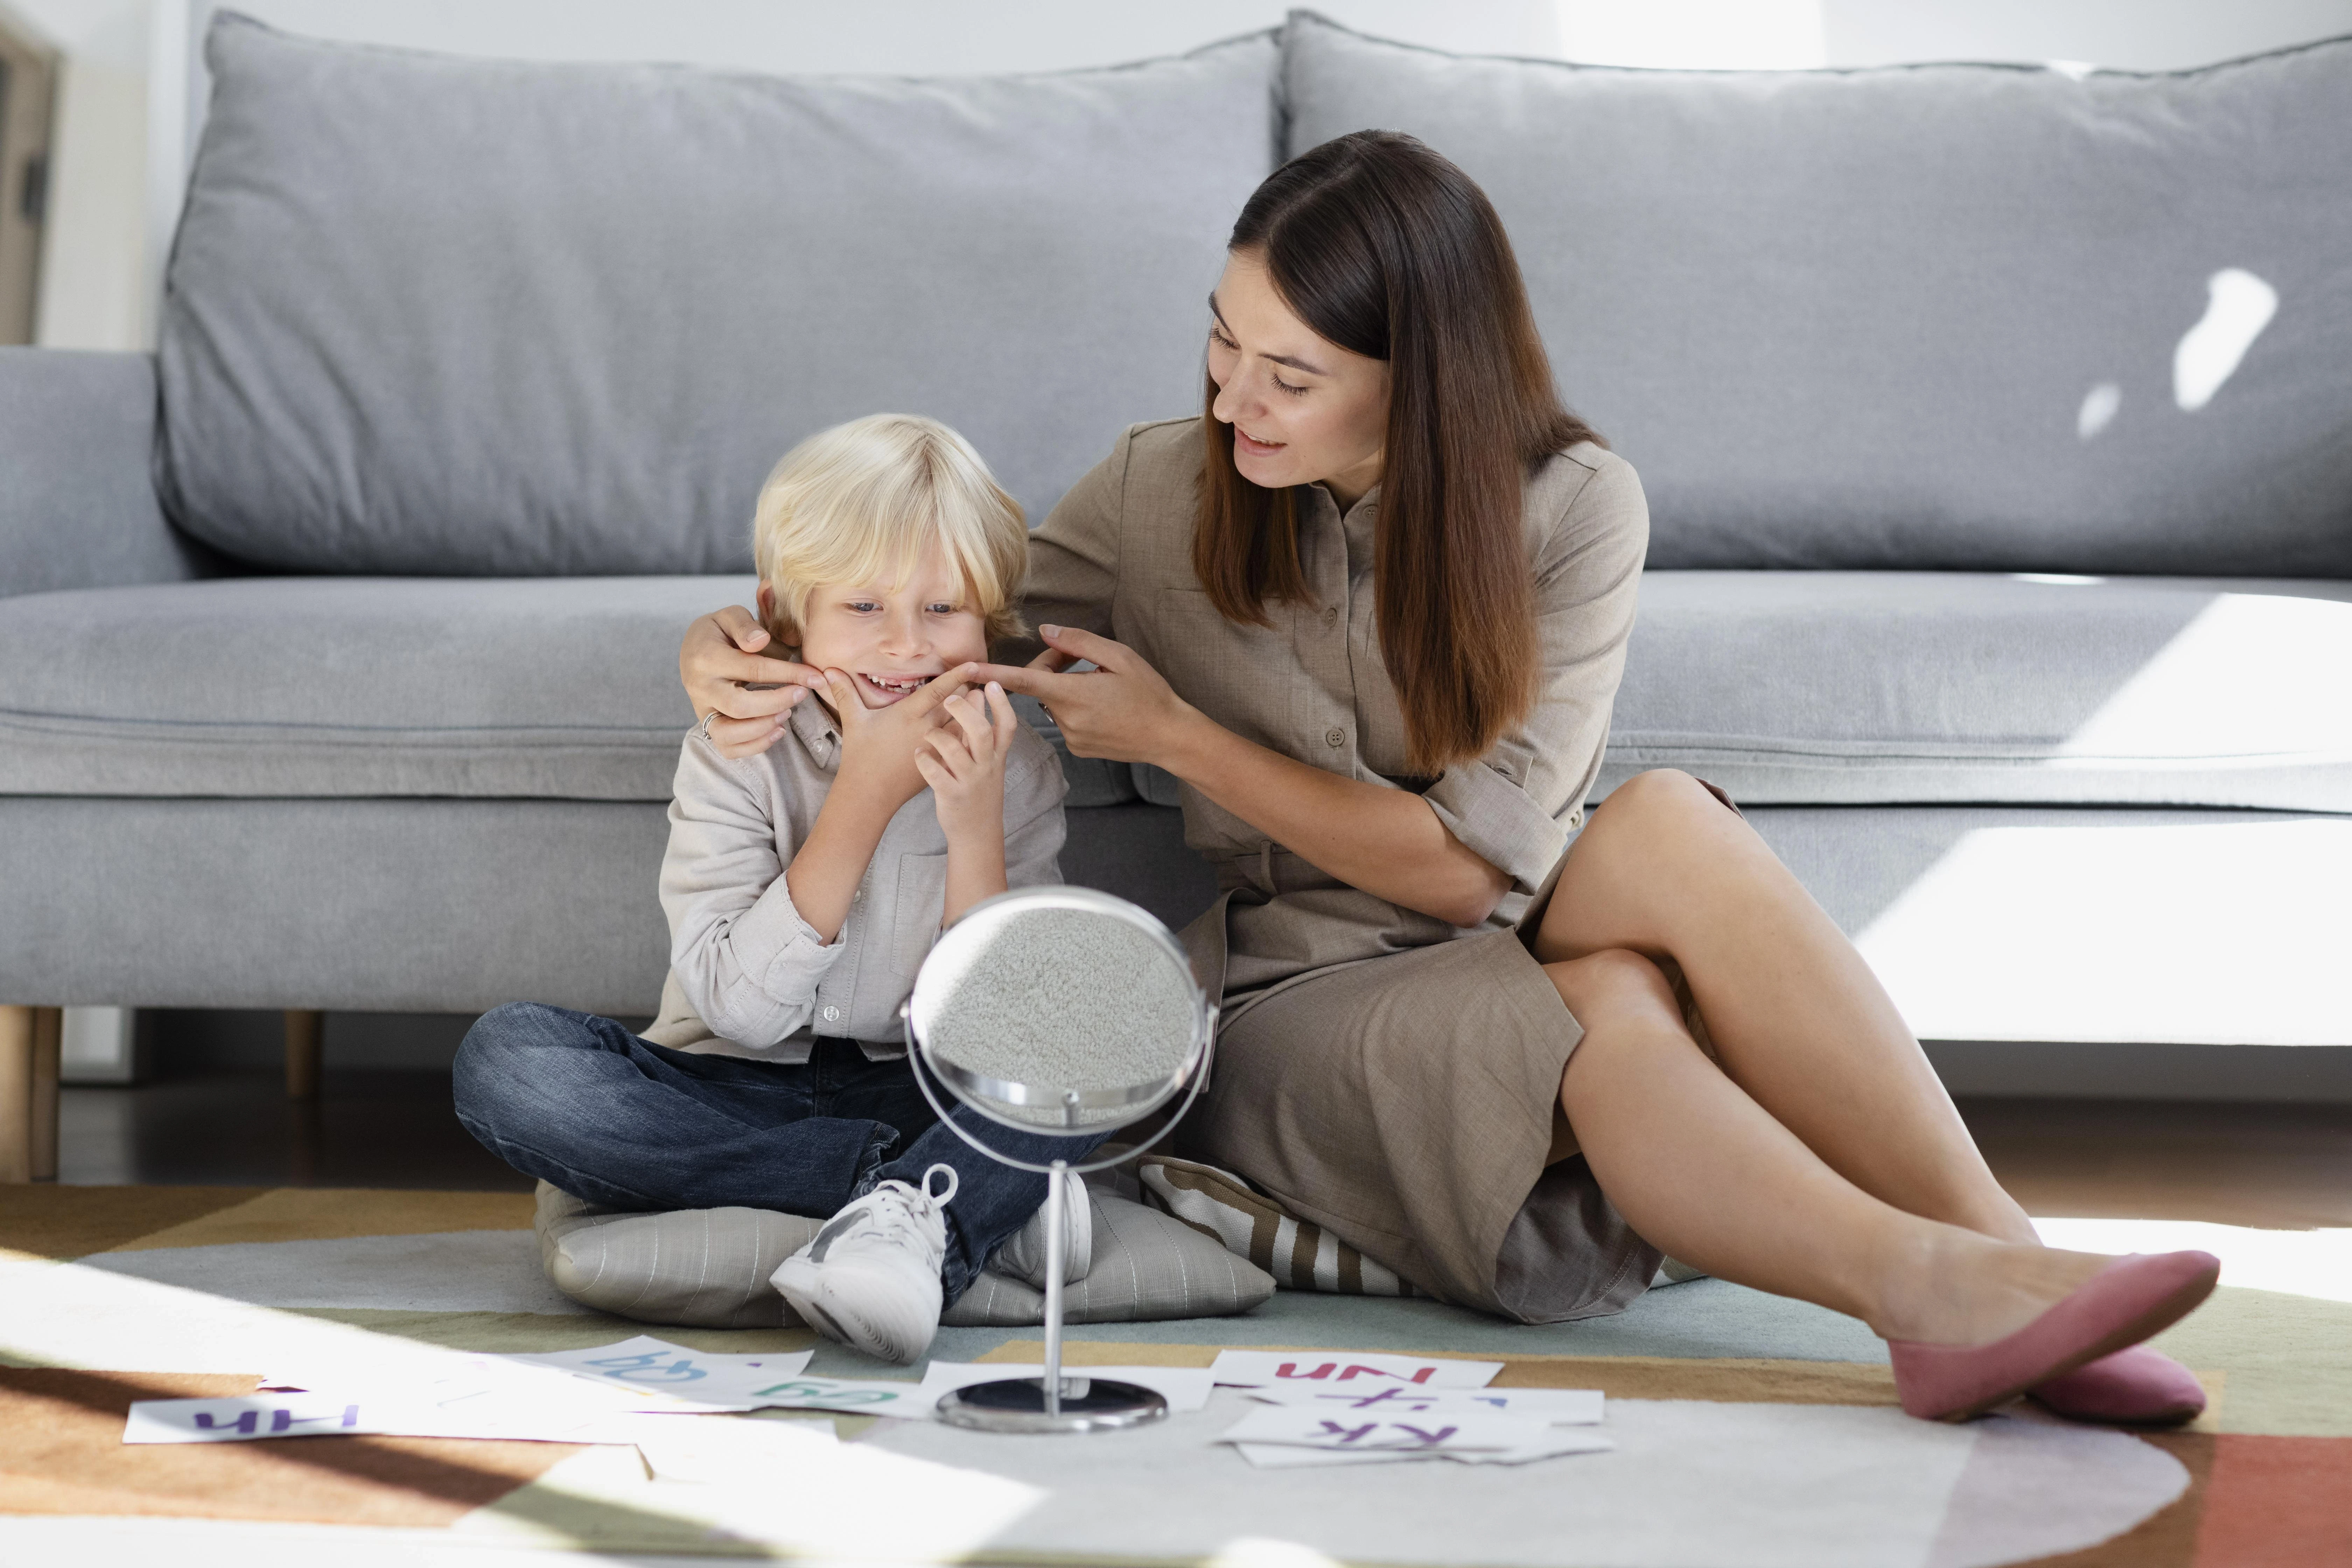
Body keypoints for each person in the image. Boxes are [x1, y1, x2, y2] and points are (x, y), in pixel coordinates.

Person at [674, 135, 2215, 1422]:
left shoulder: (1575, 506)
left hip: (1490, 919)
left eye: (1291, 375)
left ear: (1420, 379)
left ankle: (2011, 1261)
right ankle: (1935, 1290)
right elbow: (933, 611)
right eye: (1222, 340)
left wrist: (1186, 735)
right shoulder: (1160, 490)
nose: (1234, 398)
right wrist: (731, 638)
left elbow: (1473, 875)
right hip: (1296, 995)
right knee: (1609, 1005)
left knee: (1668, 823)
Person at [457, 413, 1095, 1365]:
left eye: (943, 609)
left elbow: (989, 1046)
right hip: (730, 1089)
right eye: (864, 607)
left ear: (988, 623)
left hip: (923, 1087)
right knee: (509, 1062)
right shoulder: (737, 752)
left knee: (1096, 1027)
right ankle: (941, 1194)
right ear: (789, 619)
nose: (906, 646)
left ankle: (952, 1181)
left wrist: (972, 828)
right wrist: (866, 792)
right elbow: (742, 1014)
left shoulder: (1016, 771)